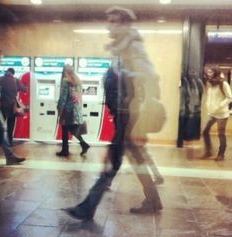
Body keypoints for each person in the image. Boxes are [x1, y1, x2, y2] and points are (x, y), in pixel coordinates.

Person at [64, 6, 163, 221]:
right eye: (108, 20)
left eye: (115, 21)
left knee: (113, 163)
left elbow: (150, 76)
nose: (109, 25)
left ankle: (87, 207)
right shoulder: (121, 48)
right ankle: (154, 200)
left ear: (126, 24)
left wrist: (138, 123)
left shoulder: (133, 47)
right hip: (124, 115)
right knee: (133, 159)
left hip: (129, 116)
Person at [56, 64, 89, 157]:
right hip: (76, 109)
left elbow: (63, 97)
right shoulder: (77, 80)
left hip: (68, 110)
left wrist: (59, 109)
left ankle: (66, 150)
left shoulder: (65, 80)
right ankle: (82, 145)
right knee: (71, 129)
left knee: (66, 129)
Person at [201, 65, 232, 161]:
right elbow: (210, 97)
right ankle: (208, 151)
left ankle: (221, 154)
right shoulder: (209, 83)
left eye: (210, 72)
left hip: (222, 114)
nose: (208, 74)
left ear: (216, 72)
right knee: (205, 131)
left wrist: (220, 106)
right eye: (207, 72)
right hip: (212, 113)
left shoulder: (223, 84)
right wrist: (207, 105)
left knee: (221, 134)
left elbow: (229, 97)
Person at [0, 67, 27, 146]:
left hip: (1, 105)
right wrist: (25, 85)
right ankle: (9, 142)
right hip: (12, 106)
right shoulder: (15, 80)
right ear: (13, 73)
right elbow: (24, 89)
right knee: (11, 124)